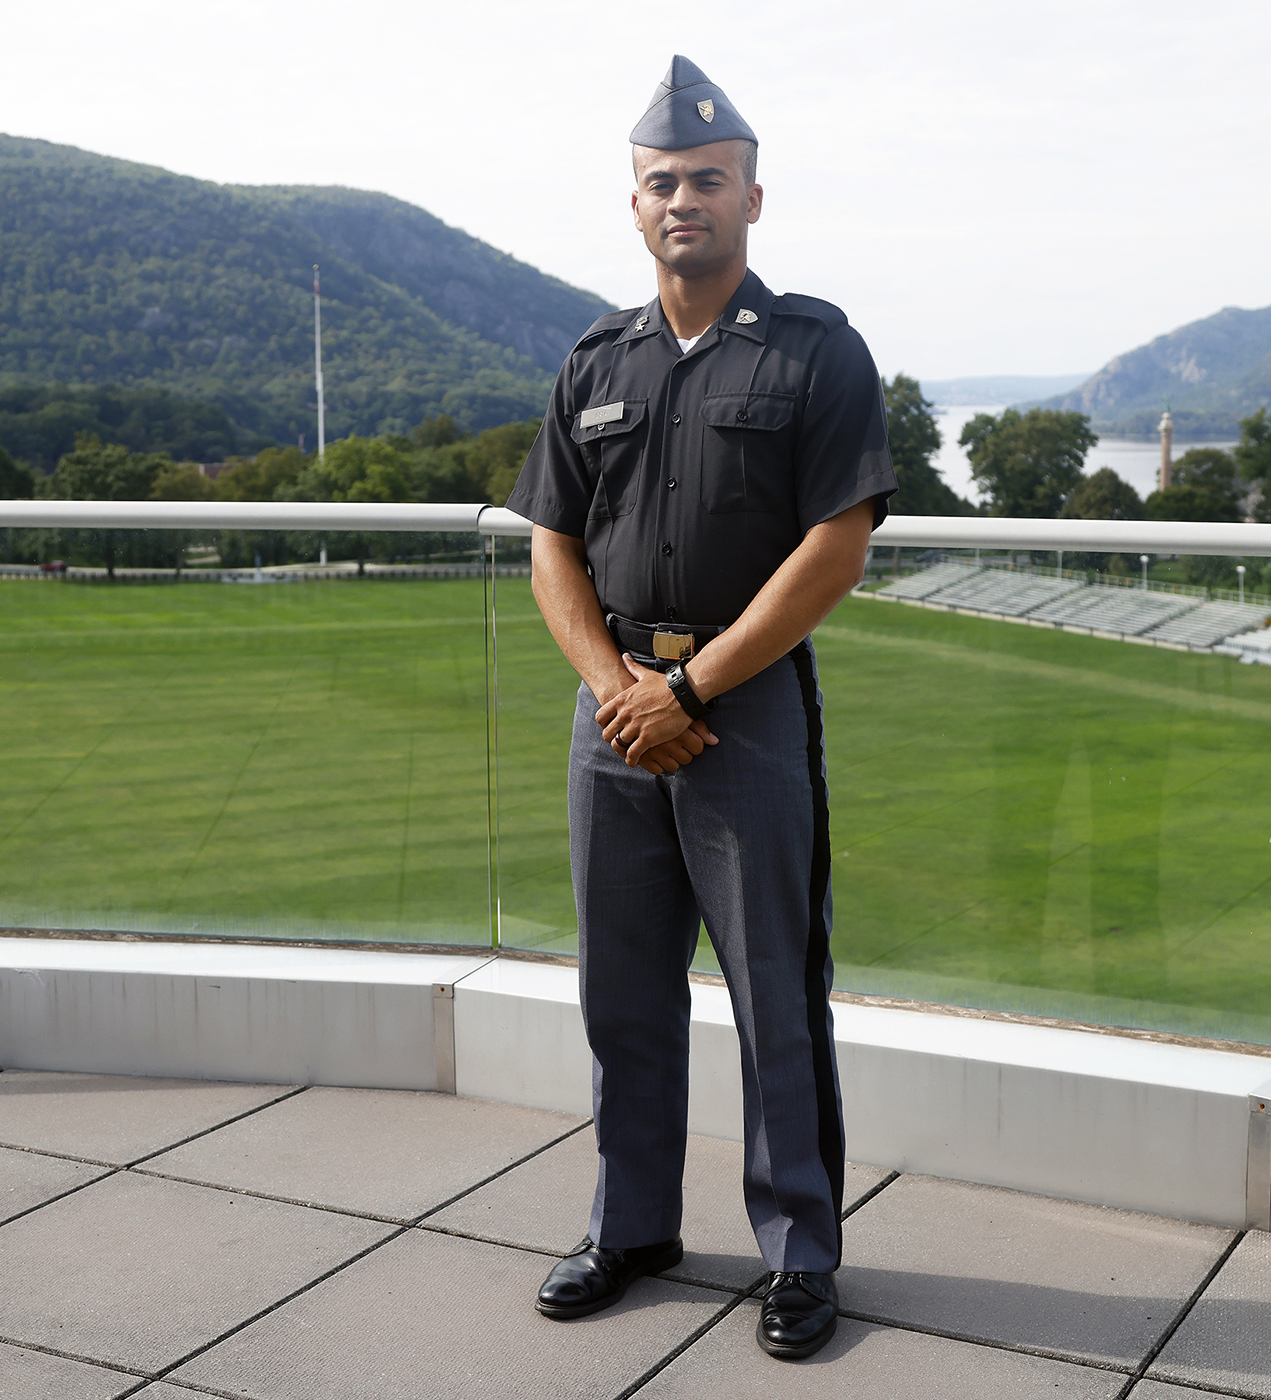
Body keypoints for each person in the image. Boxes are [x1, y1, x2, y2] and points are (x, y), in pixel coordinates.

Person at [504, 56, 896, 1361]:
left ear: (753, 199)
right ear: (636, 207)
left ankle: (799, 1255)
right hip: (612, 715)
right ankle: (634, 1229)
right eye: (663, 183)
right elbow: (552, 542)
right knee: (622, 992)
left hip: (744, 713)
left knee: (774, 995)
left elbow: (836, 545)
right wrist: (622, 691)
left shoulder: (816, 354)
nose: (686, 201)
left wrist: (689, 686)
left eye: (709, 182)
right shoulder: (594, 360)